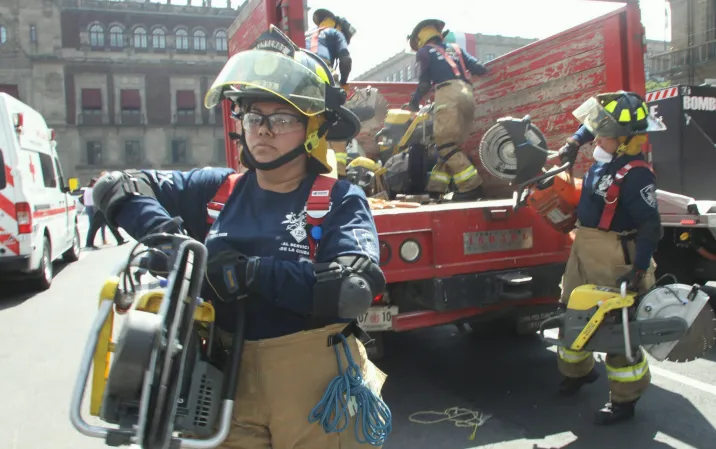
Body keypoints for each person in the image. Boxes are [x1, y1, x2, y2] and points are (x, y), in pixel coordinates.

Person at [92, 26, 390, 448]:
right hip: (223, 380)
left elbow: (352, 290)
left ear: (313, 127)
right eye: (254, 117)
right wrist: (174, 245)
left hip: (316, 384)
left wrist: (249, 274)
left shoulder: (338, 198)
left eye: (281, 118)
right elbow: (117, 186)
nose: (264, 130)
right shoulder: (216, 189)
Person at [553, 91, 666, 425]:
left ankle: (624, 401)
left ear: (625, 139)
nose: (596, 140)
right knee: (571, 314)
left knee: (618, 329)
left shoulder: (637, 174)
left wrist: (639, 268)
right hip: (585, 249)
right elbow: (594, 127)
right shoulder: (609, 158)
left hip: (614, 256)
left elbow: (650, 226)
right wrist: (574, 141)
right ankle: (578, 373)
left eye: (603, 135)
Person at [407, 18, 488, 201]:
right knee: (451, 146)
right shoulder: (456, 49)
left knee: (445, 145)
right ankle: (436, 189)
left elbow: (424, 83)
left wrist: (414, 103)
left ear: (420, 39)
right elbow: (479, 68)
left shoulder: (424, 52)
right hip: (468, 95)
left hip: (448, 95)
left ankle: (472, 186)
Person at [306, 8, 356, 178]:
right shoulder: (335, 32)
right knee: (336, 121)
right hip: (322, 72)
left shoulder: (308, 34)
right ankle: (340, 174)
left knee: (312, 121)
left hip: (301, 77)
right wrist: (344, 83)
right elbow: (346, 60)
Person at [84, 176, 127, 248]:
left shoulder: (89, 190)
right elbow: (95, 201)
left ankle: (120, 239)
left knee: (110, 225)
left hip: (98, 210)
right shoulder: (92, 190)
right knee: (94, 228)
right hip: (98, 210)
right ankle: (89, 243)